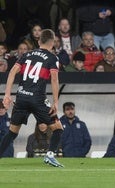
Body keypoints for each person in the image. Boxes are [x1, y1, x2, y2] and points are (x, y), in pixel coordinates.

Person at [0, 29, 64, 167]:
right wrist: (56, 102)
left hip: (21, 97)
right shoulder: (53, 58)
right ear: (52, 43)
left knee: (12, 132)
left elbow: (12, 72)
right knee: (58, 129)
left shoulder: (27, 55)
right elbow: (54, 79)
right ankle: (50, 155)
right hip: (38, 99)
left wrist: (7, 94)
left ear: (39, 41)